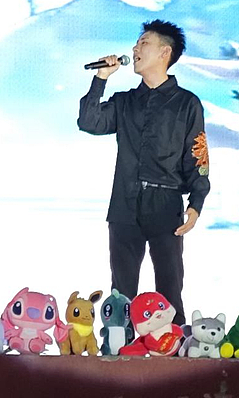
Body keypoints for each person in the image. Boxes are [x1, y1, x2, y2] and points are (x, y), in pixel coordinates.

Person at [77, 20, 210, 326]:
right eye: (136, 44)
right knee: (121, 293)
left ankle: (174, 346)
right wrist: (101, 78)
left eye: (143, 43)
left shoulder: (186, 103)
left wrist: (196, 203)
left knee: (170, 289)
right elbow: (89, 121)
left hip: (165, 205)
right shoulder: (125, 102)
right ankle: (118, 346)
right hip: (124, 204)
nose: (135, 49)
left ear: (165, 52)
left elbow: (197, 155)